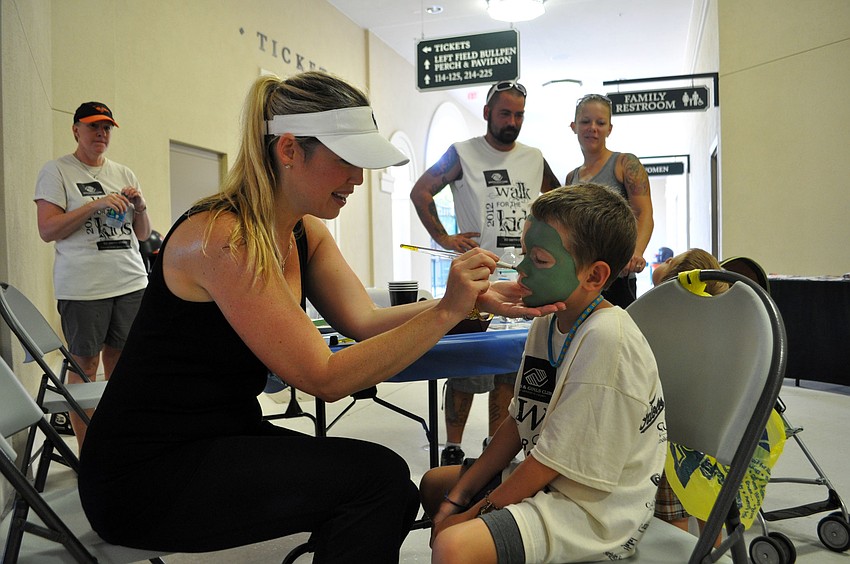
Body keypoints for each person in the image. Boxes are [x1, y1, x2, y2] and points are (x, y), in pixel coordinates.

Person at [78, 71, 563, 562]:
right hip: (144, 472)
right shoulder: (223, 238)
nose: (359, 178)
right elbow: (324, 378)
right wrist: (446, 313)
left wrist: (470, 300)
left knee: (390, 485)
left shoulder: (303, 231)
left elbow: (363, 320)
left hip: (222, 436)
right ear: (289, 149)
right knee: (378, 485)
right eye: (347, 160)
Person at [419, 184, 667, 563]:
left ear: (594, 275)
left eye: (539, 259)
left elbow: (550, 462)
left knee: (454, 545)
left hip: (592, 511)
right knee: (435, 485)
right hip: (554, 482)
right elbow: (519, 421)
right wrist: (457, 497)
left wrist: (473, 514)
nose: (521, 269)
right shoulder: (547, 321)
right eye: (524, 253)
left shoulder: (607, 338)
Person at [410, 80, 561, 466]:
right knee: (466, 369)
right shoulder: (462, 153)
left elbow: (561, 203)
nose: (513, 121)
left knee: (509, 368)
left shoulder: (534, 158)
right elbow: (421, 192)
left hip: (521, 277)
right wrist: (444, 238)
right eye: (505, 113)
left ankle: (494, 447)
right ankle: (452, 447)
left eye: (519, 114)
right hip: (475, 279)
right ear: (487, 113)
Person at [34, 101, 151, 447]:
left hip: (130, 282)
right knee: (85, 366)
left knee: (123, 366)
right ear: (76, 130)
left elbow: (143, 234)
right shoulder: (57, 171)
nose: (101, 133)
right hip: (84, 288)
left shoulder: (124, 173)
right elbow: (47, 230)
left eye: (106, 128)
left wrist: (140, 207)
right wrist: (95, 205)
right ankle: (89, 455)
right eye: (93, 126)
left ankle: (118, 446)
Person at [651, 248, 728, 538]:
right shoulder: (726, 324)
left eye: (670, 261)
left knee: (674, 519)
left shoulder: (659, 322)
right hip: (714, 433)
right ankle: (714, 554)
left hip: (671, 435)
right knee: (710, 506)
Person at [565, 93, 653, 308]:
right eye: (585, 121)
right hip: (581, 278)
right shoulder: (571, 178)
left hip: (617, 277)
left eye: (600, 123)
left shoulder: (625, 164)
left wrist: (636, 252)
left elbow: (644, 213)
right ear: (574, 126)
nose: (592, 128)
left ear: (609, 129)